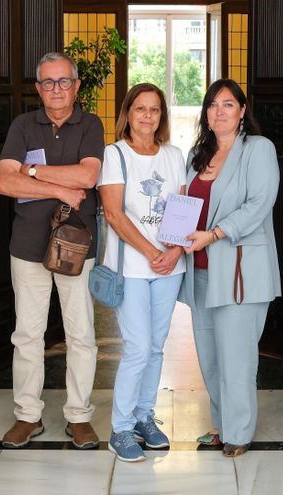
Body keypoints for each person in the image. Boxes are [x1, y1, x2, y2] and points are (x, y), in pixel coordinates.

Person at [0, 52, 104, 450]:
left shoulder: (90, 124)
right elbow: (5, 183)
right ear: (38, 88)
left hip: (76, 245)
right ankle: (27, 415)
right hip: (26, 246)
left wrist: (31, 171)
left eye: (63, 82)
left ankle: (79, 416)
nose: (56, 89)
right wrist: (60, 188)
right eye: (47, 82)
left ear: (76, 86)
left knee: (81, 335)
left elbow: (88, 175)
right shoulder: (23, 125)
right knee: (27, 334)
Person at [180, 79, 281, 458]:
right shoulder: (197, 154)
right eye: (212, 105)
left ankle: (239, 433)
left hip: (240, 271)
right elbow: (184, 201)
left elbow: (259, 204)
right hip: (201, 271)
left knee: (237, 357)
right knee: (209, 357)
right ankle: (221, 426)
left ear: (242, 111)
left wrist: (214, 233)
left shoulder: (258, 149)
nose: (219, 111)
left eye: (228, 104)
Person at [97, 83, 187, 462]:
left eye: (154, 110)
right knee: (136, 347)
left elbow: (183, 209)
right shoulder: (115, 154)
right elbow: (115, 214)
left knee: (154, 347)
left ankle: (144, 418)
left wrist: (177, 250)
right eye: (140, 109)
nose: (147, 116)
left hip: (169, 266)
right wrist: (153, 251)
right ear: (128, 114)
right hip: (133, 267)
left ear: (161, 116)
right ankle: (120, 428)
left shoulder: (174, 154)